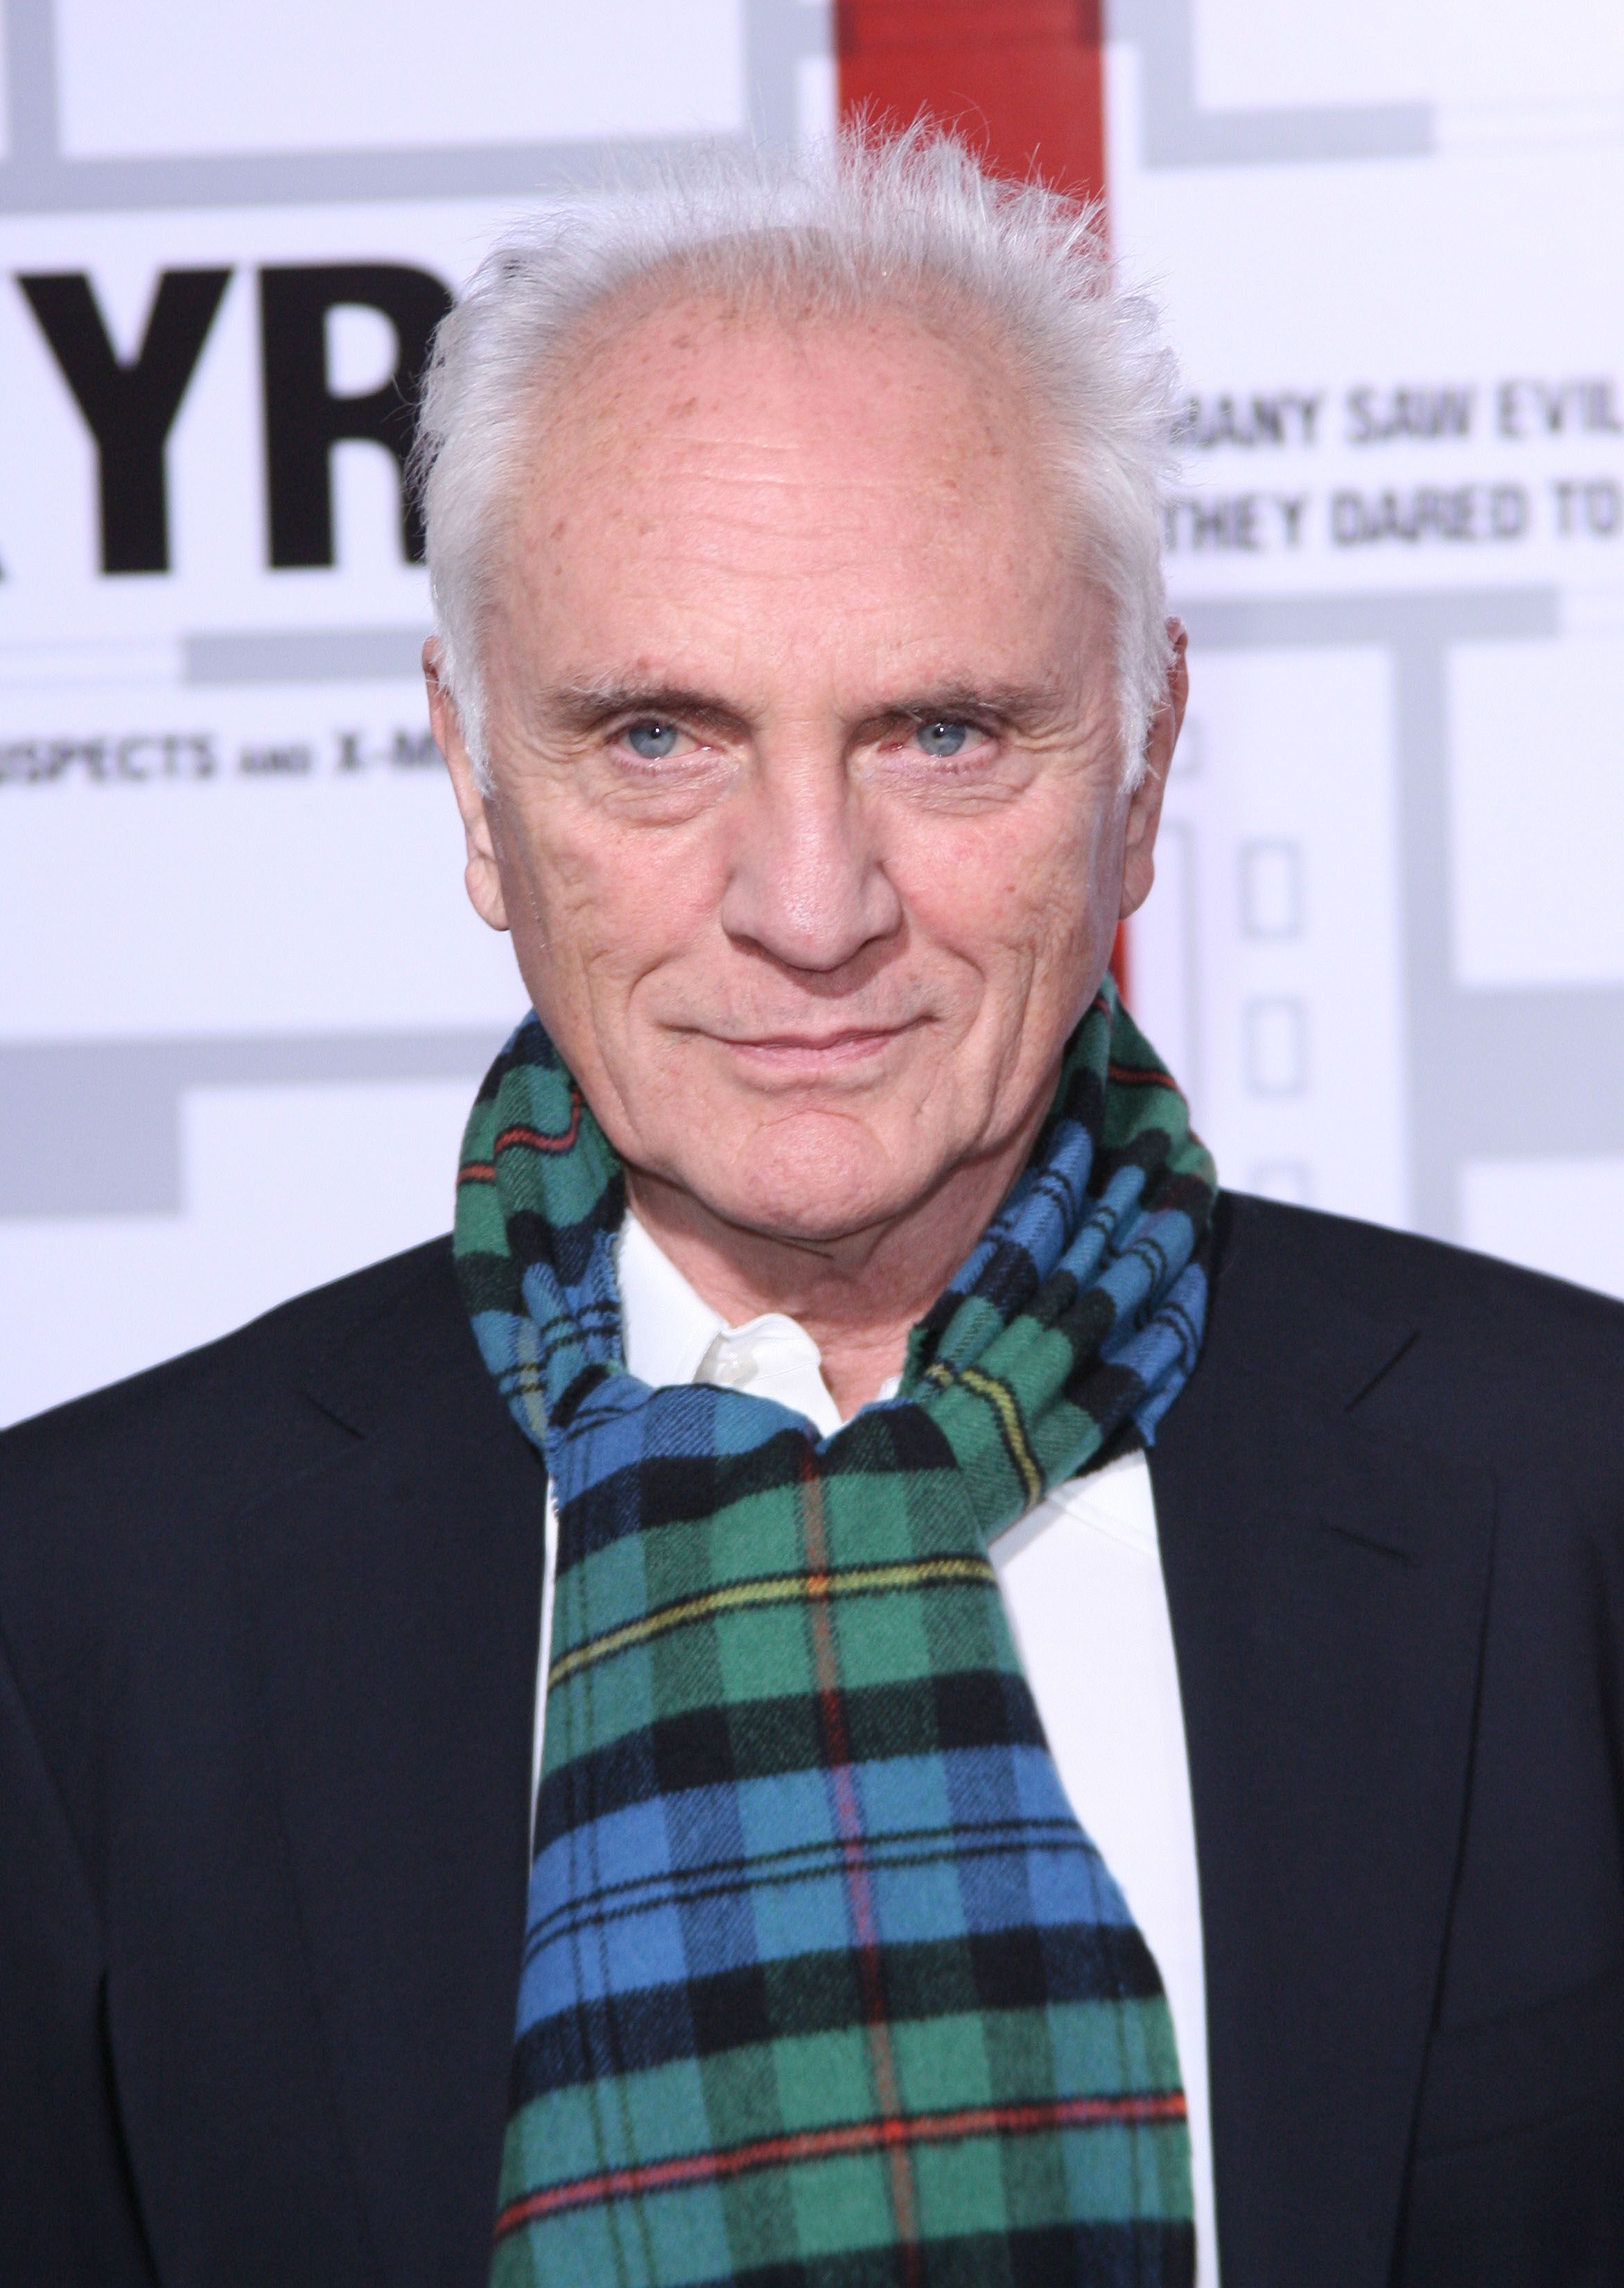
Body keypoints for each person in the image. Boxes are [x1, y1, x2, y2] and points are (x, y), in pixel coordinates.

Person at [1, 131, 1620, 2288]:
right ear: (475, 786)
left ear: (1142, 774)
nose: (809, 907)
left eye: (942, 732)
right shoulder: (87, 1605)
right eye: (656, 736)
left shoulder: (1577, 1489)